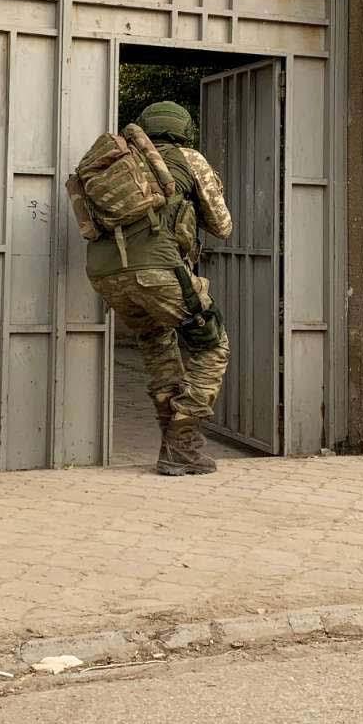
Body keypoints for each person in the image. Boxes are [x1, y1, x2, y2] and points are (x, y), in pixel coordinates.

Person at [83, 101, 232, 475]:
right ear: (183, 129)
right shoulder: (188, 158)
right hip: (159, 269)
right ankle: (181, 441)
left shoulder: (118, 163)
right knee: (213, 344)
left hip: (106, 273)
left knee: (158, 344)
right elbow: (222, 226)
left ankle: (175, 447)